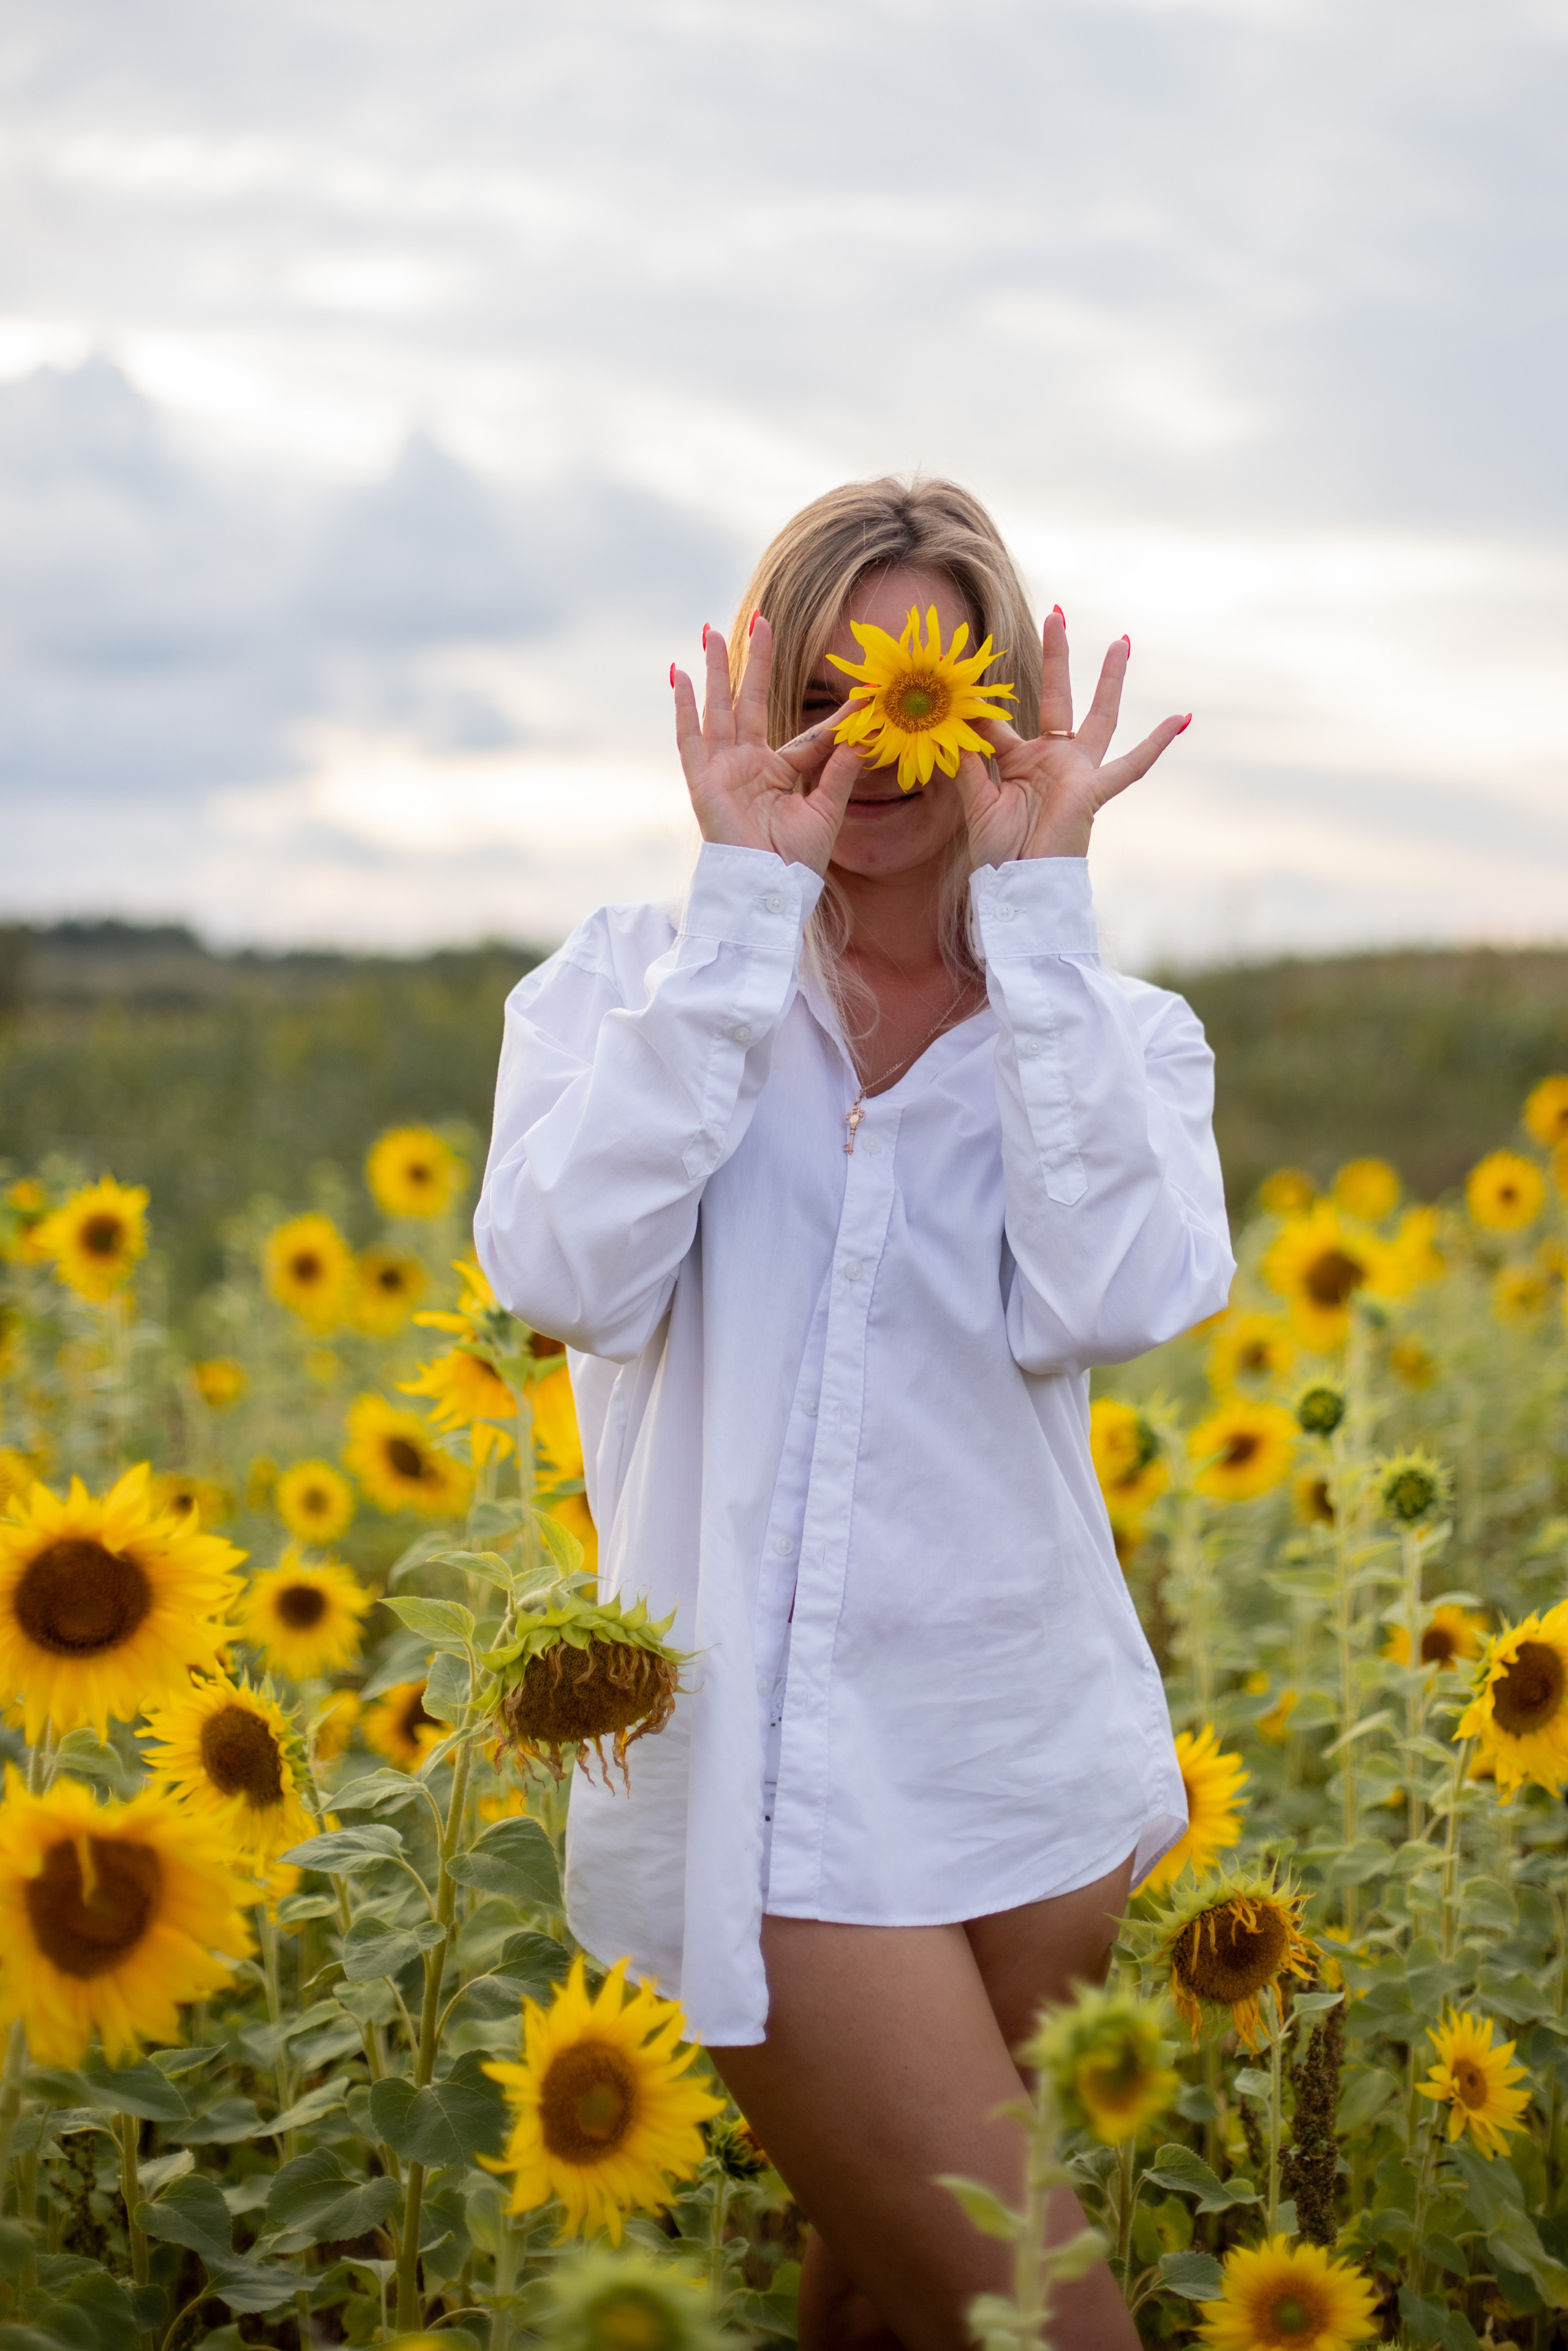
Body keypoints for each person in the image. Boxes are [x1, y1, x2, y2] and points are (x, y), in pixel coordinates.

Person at [475, 476, 1235, 2351]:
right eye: (822, 686)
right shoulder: (626, 992)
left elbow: (1120, 1298)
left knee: (898, 2318)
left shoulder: (1113, 1034)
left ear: (1001, 717)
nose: (868, 738)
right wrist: (744, 908)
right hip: (776, 1784)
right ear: (749, 696)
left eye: (924, 688)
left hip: (1028, 1766)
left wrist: (1044, 910)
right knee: (1062, 2328)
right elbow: (565, 1270)